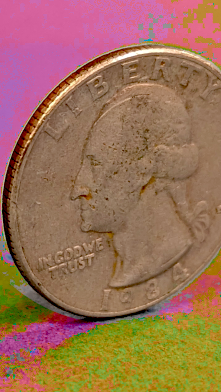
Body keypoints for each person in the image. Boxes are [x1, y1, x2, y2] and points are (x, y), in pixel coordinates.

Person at [70, 83, 209, 289]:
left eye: (95, 165)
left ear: (144, 170)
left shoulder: (159, 256)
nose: (76, 190)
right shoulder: (128, 264)